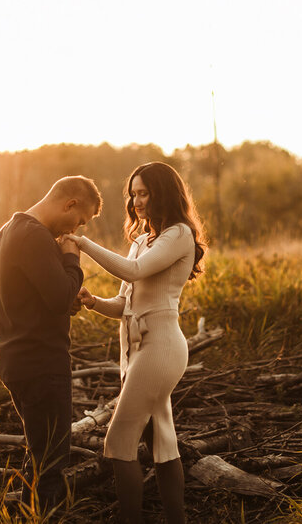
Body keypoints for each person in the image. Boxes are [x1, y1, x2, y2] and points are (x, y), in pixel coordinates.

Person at [67, 161, 206, 524]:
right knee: (162, 441)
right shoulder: (143, 241)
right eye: (133, 194)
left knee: (118, 443)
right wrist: (94, 302)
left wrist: (81, 243)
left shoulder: (179, 235)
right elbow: (123, 303)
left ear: (163, 193)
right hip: (135, 349)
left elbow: (135, 272)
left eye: (143, 193)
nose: (136, 202)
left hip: (161, 347)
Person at [0, 175, 102, 513]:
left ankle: (27, 513)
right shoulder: (36, 236)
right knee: (51, 463)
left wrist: (69, 297)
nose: (77, 231)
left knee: (39, 453)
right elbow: (56, 298)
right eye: (80, 220)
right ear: (70, 204)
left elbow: (38, 297)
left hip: (15, 360)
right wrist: (72, 260)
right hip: (41, 364)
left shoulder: (7, 231)